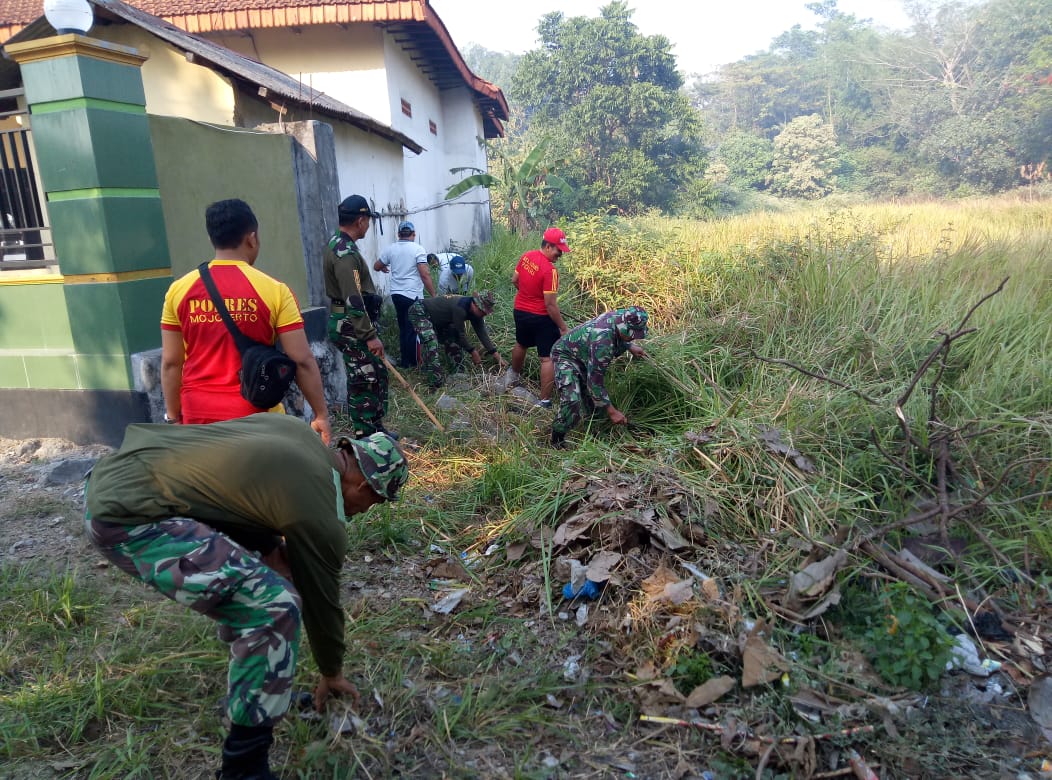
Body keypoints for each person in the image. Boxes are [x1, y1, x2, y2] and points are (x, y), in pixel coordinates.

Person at [84, 413, 408, 780]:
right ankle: (244, 768)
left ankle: (251, 685)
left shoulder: (297, 435)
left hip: (117, 474)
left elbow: (228, 485)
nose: (365, 512)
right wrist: (331, 672)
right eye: (374, 503)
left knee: (264, 577)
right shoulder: (321, 513)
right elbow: (323, 602)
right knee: (274, 607)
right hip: (127, 516)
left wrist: (267, 549)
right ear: (366, 487)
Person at [160, 199, 331, 443]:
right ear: (252, 238)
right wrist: (321, 414)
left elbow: (170, 362)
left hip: (197, 418)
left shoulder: (178, 290)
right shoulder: (275, 291)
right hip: (256, 417)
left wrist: (174, 418)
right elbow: (302, 360)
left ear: (212, 240)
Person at [324, 194, 390, 437]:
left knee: (375, 373)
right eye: (368, 220)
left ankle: (375, 427)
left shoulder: (340, 245)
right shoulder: (344, 253)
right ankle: (366, 435)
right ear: (361, 221)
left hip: (353, 323)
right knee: (364, 378)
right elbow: (353, 298)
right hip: (351, 325)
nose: (368, 225)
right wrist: (369, 335)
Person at [549, 306, 649, 449]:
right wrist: (612, 412)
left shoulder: (619, 318)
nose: (633, 337)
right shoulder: (603, 343)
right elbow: (595, 382)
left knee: (594, 403)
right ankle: (557, 439)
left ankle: (594, 431)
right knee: (572, 400)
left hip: (584, 355)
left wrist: (630, 346)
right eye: (632, 334)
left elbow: (620, 335)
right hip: (565, 356)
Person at [506, 227, 572, 409]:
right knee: (547, 358)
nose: (560, 255)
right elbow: (550, 306)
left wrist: (528, 294)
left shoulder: (527, 256)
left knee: (521, 344)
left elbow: (514, 280)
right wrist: (563, 327)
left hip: (520, 311)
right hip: (540, 317)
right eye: (559, 251)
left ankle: (513, 376)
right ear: (549, 246)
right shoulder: (550, 271)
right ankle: (544, 401)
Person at [408, 290, 506, 388]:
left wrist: (496, 355)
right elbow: (461, 335)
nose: (483, 314)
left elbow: (482, 334)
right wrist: (473, 352)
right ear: (474, 304)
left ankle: (457, 374)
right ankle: (435, 383)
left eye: (485, 312)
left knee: (452, 336)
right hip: (420, 311)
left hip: (440, 319)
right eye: (482, 311)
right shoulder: (460, 308)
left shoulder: (476, 313)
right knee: (431, 343)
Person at [373, 221, 435, 368]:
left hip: (396, 295)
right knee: (414, 328)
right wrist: (433, 294)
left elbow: (376, 266)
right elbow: (424, 274)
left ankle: (405, 361)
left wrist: (383, 268)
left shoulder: (391, 249)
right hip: (412, 295)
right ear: (413, 234)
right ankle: (414, 363)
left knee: (403, 327)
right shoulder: (418, 249)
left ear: (399, 234)